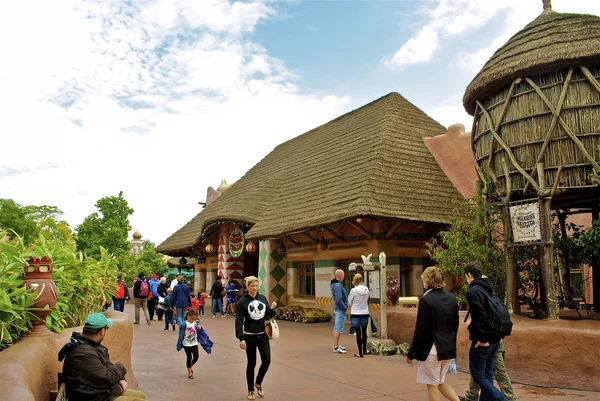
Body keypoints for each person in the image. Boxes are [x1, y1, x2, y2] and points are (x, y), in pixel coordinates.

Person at [59, 313, 147, 401]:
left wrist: (121, 378)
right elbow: (107, 377)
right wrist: (121, 367)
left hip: (100, 392)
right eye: (106, 329)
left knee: (141, 395)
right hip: (93, 397)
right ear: (102, 332)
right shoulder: (84, 354)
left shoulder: (90, 345)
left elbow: (108, 366)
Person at [406, 266, 460, 401]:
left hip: (432, 349)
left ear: (427, 281)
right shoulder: (452, 298)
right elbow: (455, 325)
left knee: (432, 385)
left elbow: (420, 330)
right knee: (440, 381)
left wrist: (411, 354)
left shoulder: (425, 300)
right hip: (447, 347)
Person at [464, 262, 507, 401]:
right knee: (488, 376)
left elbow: (480, 316)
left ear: (470, 275)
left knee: (478, 376)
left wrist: (482, 340)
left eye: (466, 276)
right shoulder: (489, 289)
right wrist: (500, 335)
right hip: (496, 338)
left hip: (483, 341)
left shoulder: (473, 291)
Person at [236, 276, 278, 401]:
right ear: (247, 287)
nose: (254, 288)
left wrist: (272, 308)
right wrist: (241, 338)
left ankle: (258, 382)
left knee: (267, 360)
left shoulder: (262, 298)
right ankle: (250, 390)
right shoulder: (242, 302)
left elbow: (268, 316)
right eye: (252, 286)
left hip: (262, 335)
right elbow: (238, 321)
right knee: (252, 363)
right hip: (249, 336)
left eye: (256, 285)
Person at [347, 273, 370, 358]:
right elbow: (367, 299)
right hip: (365, 312)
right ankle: (364, 350)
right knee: (364, 331)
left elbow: (349, 301)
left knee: (358, 332)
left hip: (355, 313)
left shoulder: (353, 290)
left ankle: (360, 352)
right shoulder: (366, 289)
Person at [171, 274, 192, 351]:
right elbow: (188, 295)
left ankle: (182, 324)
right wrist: (190, 303)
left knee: (178, 316)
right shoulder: (186, 286)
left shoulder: (176, 287)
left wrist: (171, 304)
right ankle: (182, 323)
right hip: (185, 302)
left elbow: (173, 296)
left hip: (178, 302)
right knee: (182, 315)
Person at [330, 269, 348, 354]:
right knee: (338, 328)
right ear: (340, 275)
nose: (344, 277)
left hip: (338, 308)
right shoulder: (338, 286)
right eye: (343, 275)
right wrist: (344, 307)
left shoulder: (335, 285)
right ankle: (336, 347)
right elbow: (338, 299)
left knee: (336, 327)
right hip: (340, 309)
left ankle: (336, 344)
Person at [182, 308, 201, 379]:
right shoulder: (184, 324)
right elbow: (181, 334)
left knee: (196, 356)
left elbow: (199, 327)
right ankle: (189, 372)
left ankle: (190, 366)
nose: (192, 320)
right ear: (188, 316)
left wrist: (199, 327)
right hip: (187, 343)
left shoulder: (195, 323)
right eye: (191, 318)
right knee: (189, 357)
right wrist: (179, 344)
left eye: (194, 319)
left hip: (194, 342)